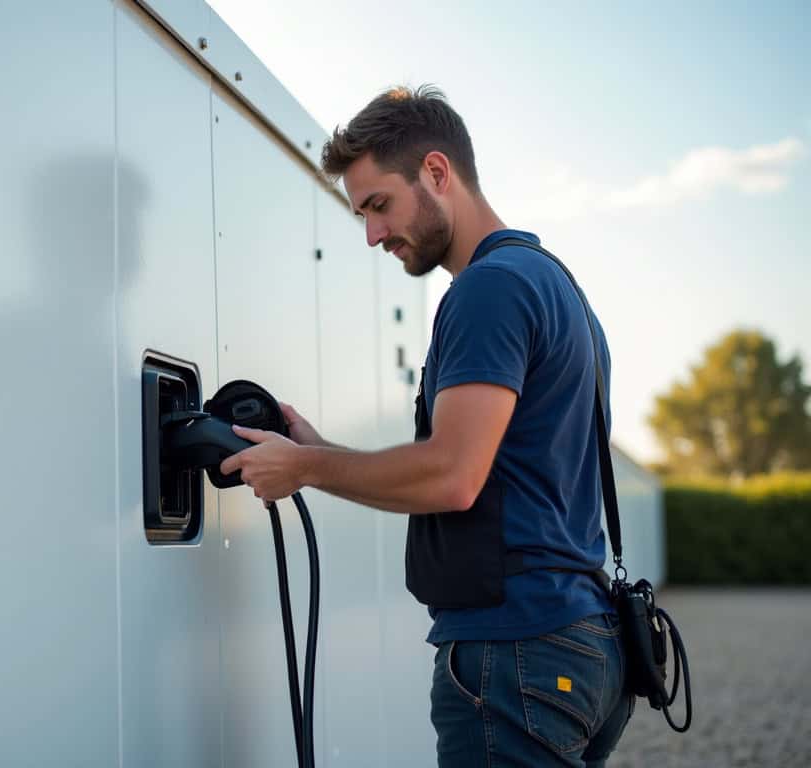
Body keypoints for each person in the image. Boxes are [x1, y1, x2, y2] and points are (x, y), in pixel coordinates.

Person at [218, 84, 634, 767]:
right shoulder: (557, 287)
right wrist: (318, 450)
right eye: (362, 215)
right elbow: (492, 468)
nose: (372, 235)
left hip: (516, 650)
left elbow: (453, 475)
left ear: (437, 172)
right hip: (579, 641)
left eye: (379, 205)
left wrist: (305, 468)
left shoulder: (488, 289)